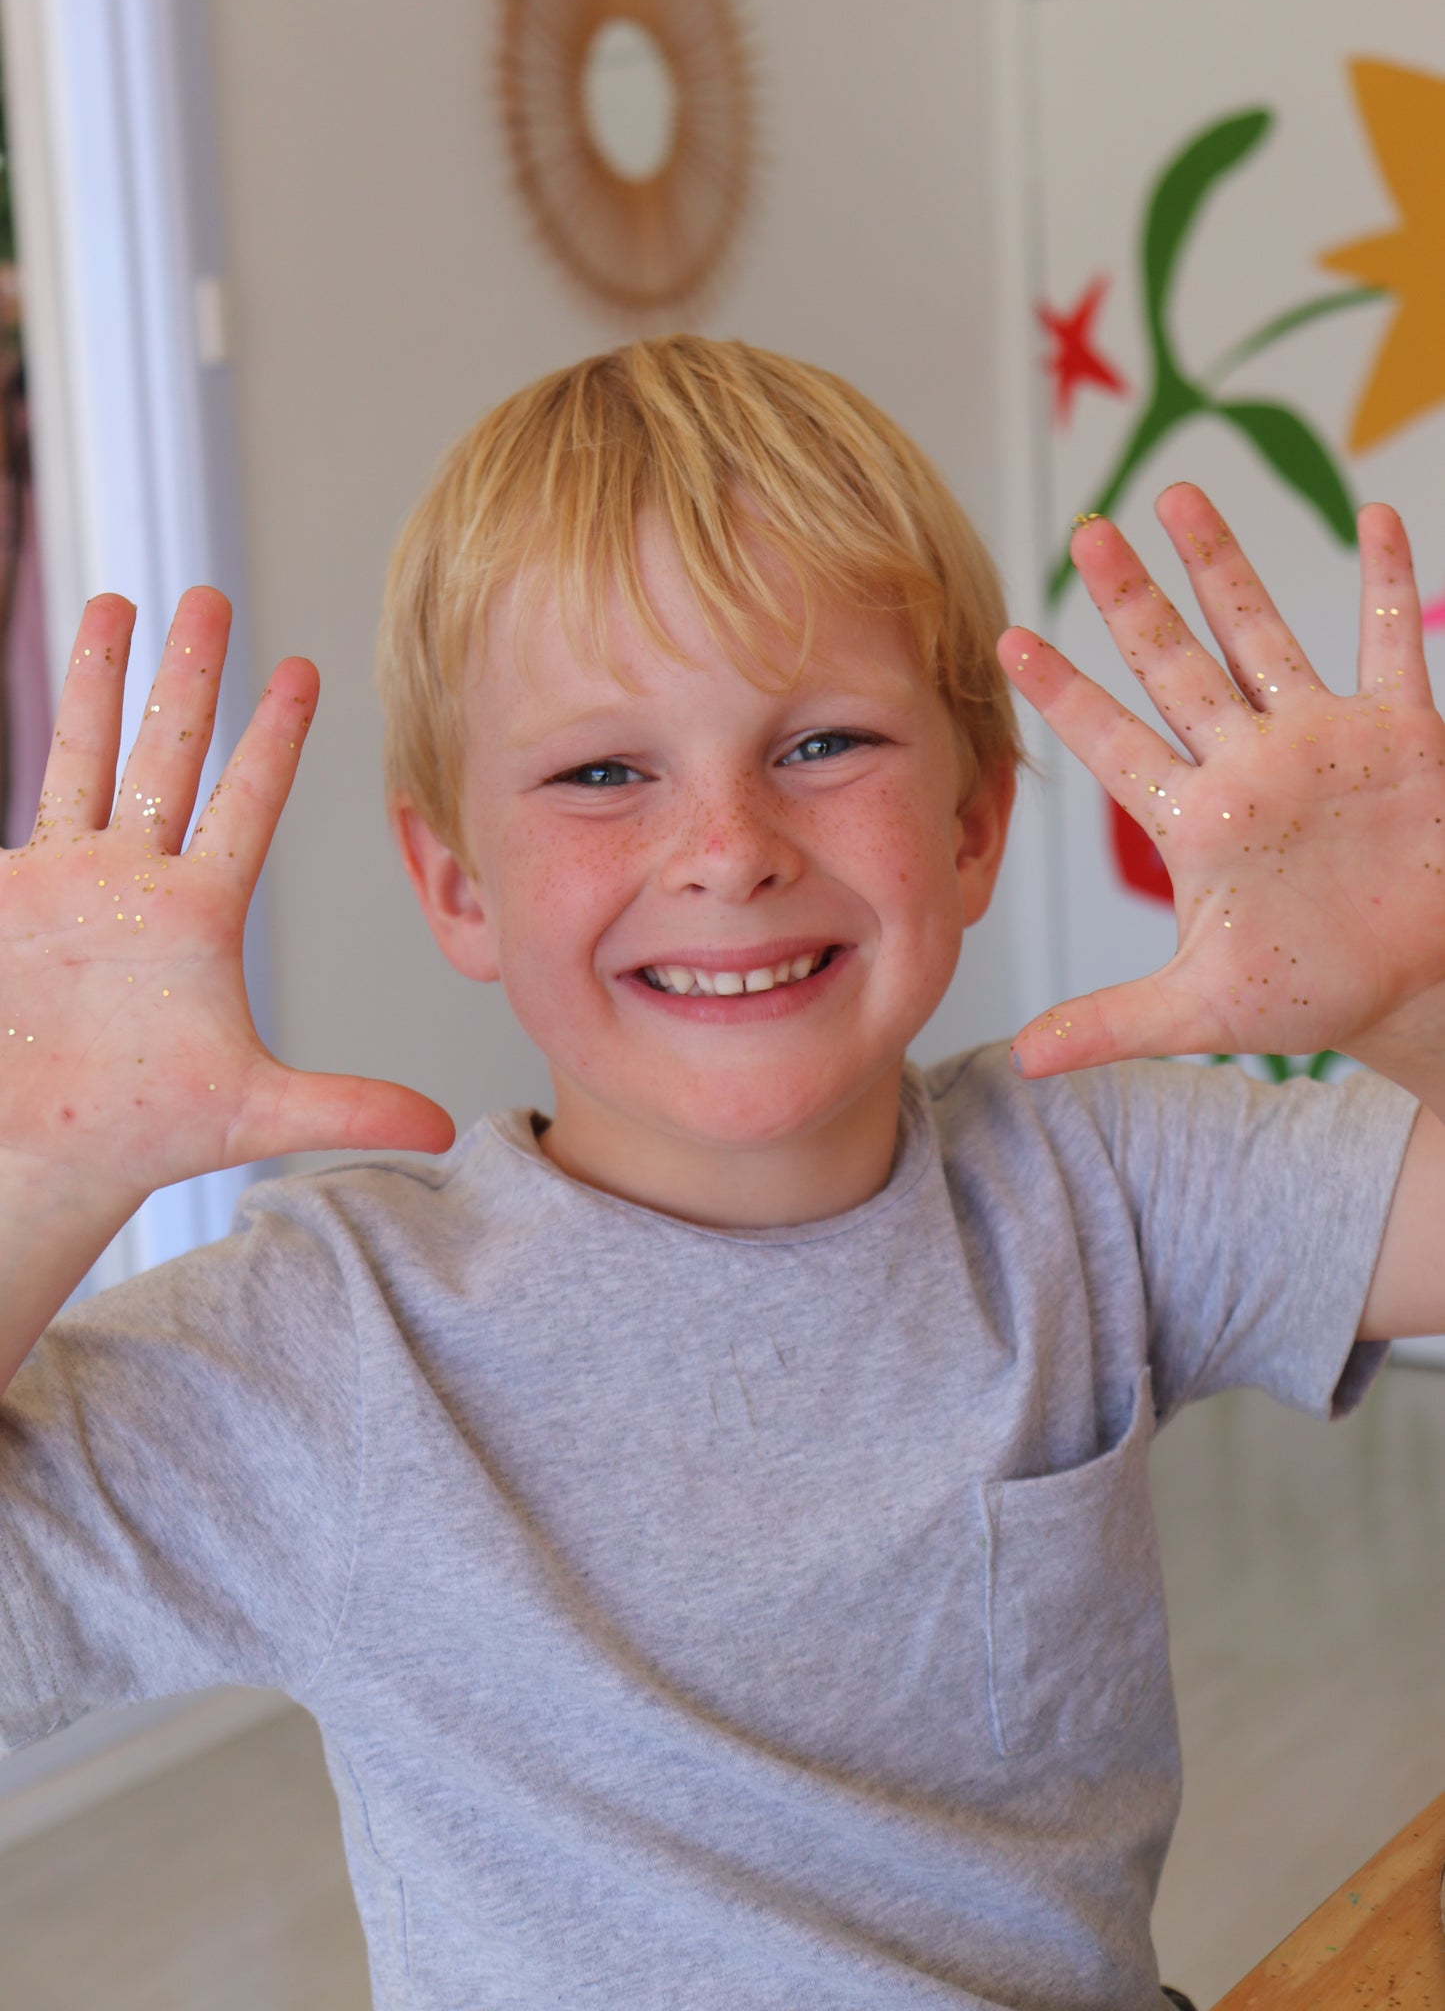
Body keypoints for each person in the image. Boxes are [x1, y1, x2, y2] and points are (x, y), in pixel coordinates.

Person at [0, 336, 1440, 2011]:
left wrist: (1419, 999)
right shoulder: (330, 1344)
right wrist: (33, 1177)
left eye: (823, 743)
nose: (729, 846)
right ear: (456, 884)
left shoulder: (1098, 1181)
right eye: (602, 773)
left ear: (976, 825)